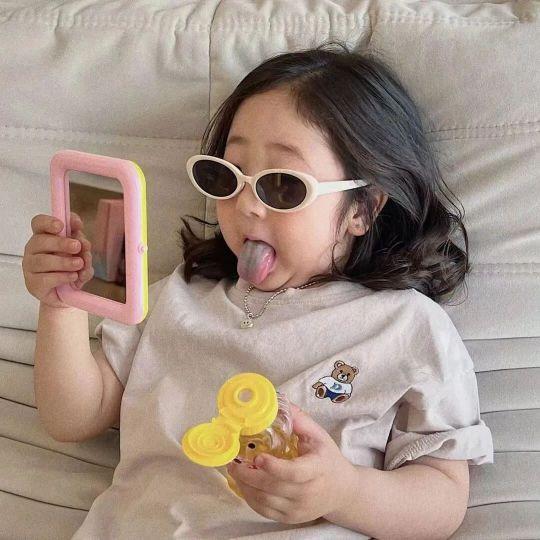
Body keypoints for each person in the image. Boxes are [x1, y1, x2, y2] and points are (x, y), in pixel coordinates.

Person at [23, 40, 494, 539]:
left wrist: (345, 492)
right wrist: (60, 305)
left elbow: (444, 498)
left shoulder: (405, 325)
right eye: (227, 176)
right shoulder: (177, 298)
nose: (246, 205)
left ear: (363, 208)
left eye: (282, 185)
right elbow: (72, 418)